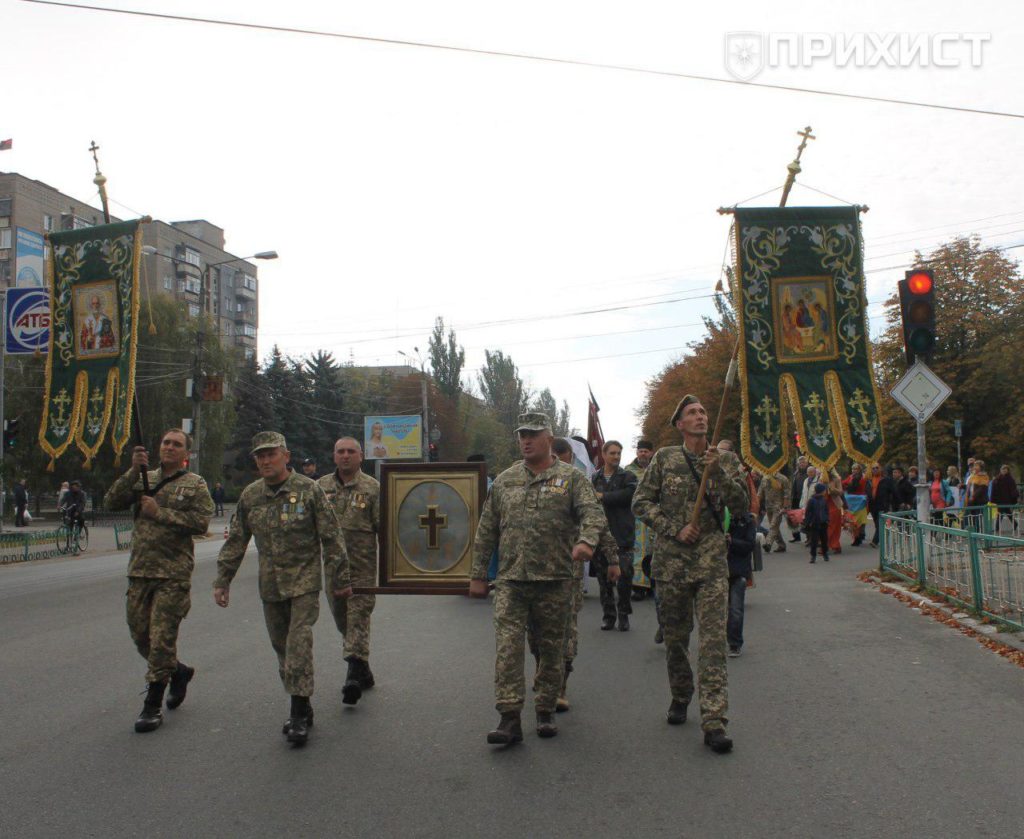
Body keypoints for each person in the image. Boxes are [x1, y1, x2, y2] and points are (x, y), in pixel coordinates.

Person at [469, 413, 607, 746]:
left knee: (551, 650)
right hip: (512, 581)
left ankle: (545, 708)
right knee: (507, 649)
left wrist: (587, 540)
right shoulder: (505, 480)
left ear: (549, 438)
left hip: (555, 580)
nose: (526, 441)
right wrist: (477, 574)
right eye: (522, 436)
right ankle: (509, 716)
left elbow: (593, 513)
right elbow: (487, 529)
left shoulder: (571, 479)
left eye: (533, 435)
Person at [215, 432, 352, 746]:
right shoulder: (251, 496)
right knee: (282, 649)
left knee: (298, 644)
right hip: (271, 586)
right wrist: (223, 580)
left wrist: (340, 578)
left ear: (286, 456)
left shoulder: (309, 490)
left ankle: (299, 712)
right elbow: (237, 540)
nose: (265, 461)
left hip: (304, 583)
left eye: (271, 454)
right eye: (260, 456)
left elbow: (332, 538)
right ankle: (300, 698)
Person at [632, 394, 748, 754]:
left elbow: (742, 505)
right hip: (671, 566)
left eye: (703, 411)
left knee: (713, 643)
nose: (700, 417)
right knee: (677, 640)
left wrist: (720, 473)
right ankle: (681, 693)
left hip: (712, 564)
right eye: (692, 413)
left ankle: (714, 720)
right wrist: (673, 528)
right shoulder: (665, 458)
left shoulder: (725, 458)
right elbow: (641, 502)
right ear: (679, 424)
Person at [103, 429, 214, 733]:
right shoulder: (143, 477)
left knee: (162, 638)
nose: (169, 447)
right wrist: (131, 469)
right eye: (165, 442)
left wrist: (160, 512)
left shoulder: (194, 484)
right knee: (141, 636)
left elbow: (201, 523)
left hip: (172, 574)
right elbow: (111, 501)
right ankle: (178, 671)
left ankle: (151, 705)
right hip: (140, 571)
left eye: (176, 444)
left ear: (185, 454)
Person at [546, 438, 619, 712]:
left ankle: (560, 686)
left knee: (566, 631)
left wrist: (612, 558)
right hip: (538, 572)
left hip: (570, 571)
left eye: (560, 458)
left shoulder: (578, 483)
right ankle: (546, 674)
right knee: (539, 632)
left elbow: (599, 523)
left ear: (566, 458)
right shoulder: (530, 482)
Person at [318, 437, 380, 706]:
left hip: (363, 567)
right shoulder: (320, 487)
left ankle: (353, 673)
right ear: (334, 456)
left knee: (358, 616)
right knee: (343, 620)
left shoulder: (373, 488)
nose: (345, 456)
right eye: (340, 451)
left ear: (361, 456)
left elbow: (384, 528)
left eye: (350, 452)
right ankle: (363, 667)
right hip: (333, 569)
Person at [591, 440, 638, 631]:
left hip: (622, 533)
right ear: (603, 454)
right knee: (604, 580)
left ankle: (624, 613)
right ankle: (608, 615)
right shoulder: (595, 478)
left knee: (625, 576)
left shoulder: (628, 476)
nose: (616, 457)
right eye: (612, 453)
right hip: (601, 534)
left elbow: (629, 495)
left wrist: (604, 497)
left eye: (619, 453)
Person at [726, 510, 756, 658]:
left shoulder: (748, 521)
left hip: (738, 571)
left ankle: (734, 643)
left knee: (736, 609)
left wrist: (732, 541)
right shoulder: (719, 516)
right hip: (718, 570)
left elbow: (750, 545)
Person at [757, 471, 788, 553]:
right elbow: (760, 493)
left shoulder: (783, 478)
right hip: (768, 506)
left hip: (779, 507)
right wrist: (756, 506)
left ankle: (768, 543)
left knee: (773, 525)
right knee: (774, 526)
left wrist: (785, 507)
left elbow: (787, 494)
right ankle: (781, 545)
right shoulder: (765, 478)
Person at [843, 463, 868, 546]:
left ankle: (860, 536)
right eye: (853, 469)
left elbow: (863, 487)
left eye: (856, 469)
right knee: (852, 521)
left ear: (859, 470)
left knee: (860, 521)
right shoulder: (850, 477)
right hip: (851, 502)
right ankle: (856, 537)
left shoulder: (864, 477)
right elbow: (843, 483)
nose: (854, 470)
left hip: (860, 502)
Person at [804, 482, 830, 563]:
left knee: (824, 540)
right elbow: (808, 512)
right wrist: (808, 522)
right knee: (814, 541)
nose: (825, 491)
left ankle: (825, 553)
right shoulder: (812, 500)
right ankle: (813, 556)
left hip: (823, 522)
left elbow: (826, 510)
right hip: (815, 523)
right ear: (821, 491)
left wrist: (827, 519)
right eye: (824, 490)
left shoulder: (824, 499)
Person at [989, 465, 1019, 533]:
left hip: (1006, 499)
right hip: (1000, 499)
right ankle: (1015, 524)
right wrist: (993, 499)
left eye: (1005, 469)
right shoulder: (997, 478)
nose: (1004, 471)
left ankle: (997, 528)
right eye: (1003, 469)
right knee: (1007, 513)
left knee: (1000, 513)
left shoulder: (1010, 479)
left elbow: (1013, 489)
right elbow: (994, 488)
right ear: (1000, 470)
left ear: (1008, 470)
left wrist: (1014, 499)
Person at [866, 463, 888, 547]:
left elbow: (893, 492)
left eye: (876, 468)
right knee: (877, 524)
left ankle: (875, 541)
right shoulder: (869, 480)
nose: (875, 469)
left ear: (880, 469)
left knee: (880, 524)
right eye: (873, 468)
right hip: (873, 506)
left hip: (882, 505)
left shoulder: (885, 480)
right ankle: (881, 537)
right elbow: (867, 492)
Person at [789, 456, 809, 542]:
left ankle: (809, 537)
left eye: (803, 462)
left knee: (806, 518)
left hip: (805, 498)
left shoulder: (809, 473)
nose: (802, 464)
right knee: (793, 517)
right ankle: (796, 536)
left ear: (806, 463)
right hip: (796, 498)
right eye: (800, 463)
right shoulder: (796, 473)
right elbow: (793, 486)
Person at [825, 469, 845, 554]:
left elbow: (840, 492)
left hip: (834, 505)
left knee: (832, 526)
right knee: (825, 526)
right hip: (823, 505)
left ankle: (827, 545)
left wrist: (832, 489)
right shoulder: (821, 479)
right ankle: (835, 545)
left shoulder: (837, 479)